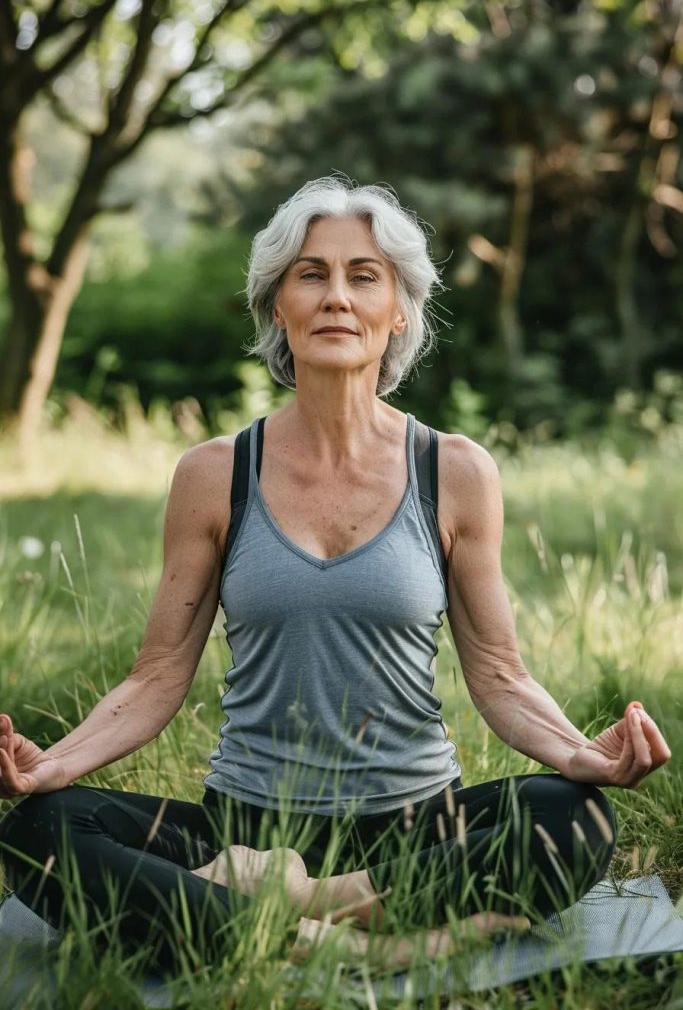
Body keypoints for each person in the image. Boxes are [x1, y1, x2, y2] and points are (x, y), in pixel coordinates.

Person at [0, 176, 672, 973]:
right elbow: (156, 675)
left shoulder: (453, 469)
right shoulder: (215, 472)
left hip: (417, 826)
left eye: (363, 276)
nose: (335, 298)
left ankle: (278, 915)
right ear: (276, 305)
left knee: (578, 819)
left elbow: (497, 673)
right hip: (246, 834)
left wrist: (578, 758)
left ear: (398, 313)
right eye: (310, 274)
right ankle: (381, 942)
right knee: (41, 833)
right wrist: (52, 767)